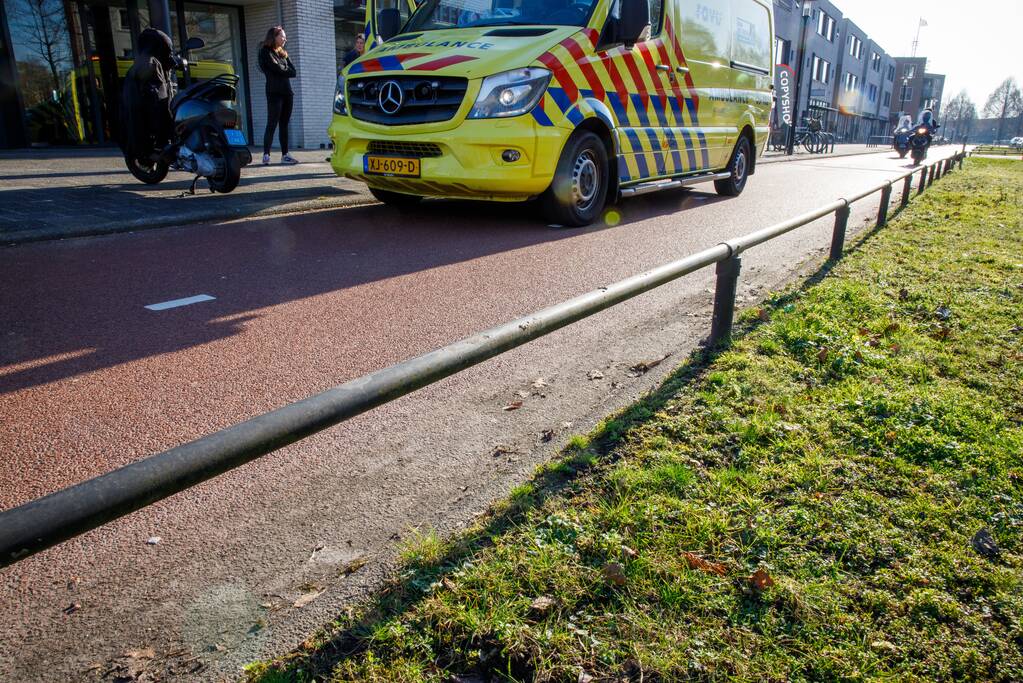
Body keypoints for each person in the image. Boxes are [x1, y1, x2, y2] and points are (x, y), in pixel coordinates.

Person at [120, 27, 176, 161]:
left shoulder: (147, 60)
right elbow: (157, 92)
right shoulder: (149, 62)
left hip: (147, 108)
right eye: (167, 49)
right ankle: (155, 151)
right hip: (149, 110)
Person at [258, 26, 298, 165]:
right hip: (274, 93)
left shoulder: (283, 53)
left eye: (285, 37)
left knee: (284, 124)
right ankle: (266, 155)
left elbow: (293, 72)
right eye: (282, 36)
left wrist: (282, 68)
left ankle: (285, 155)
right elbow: (275, 68)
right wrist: (283, 69)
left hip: (287, 92)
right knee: (272, 123)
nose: (285, 39)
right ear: (274, 37)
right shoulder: (265, 51)